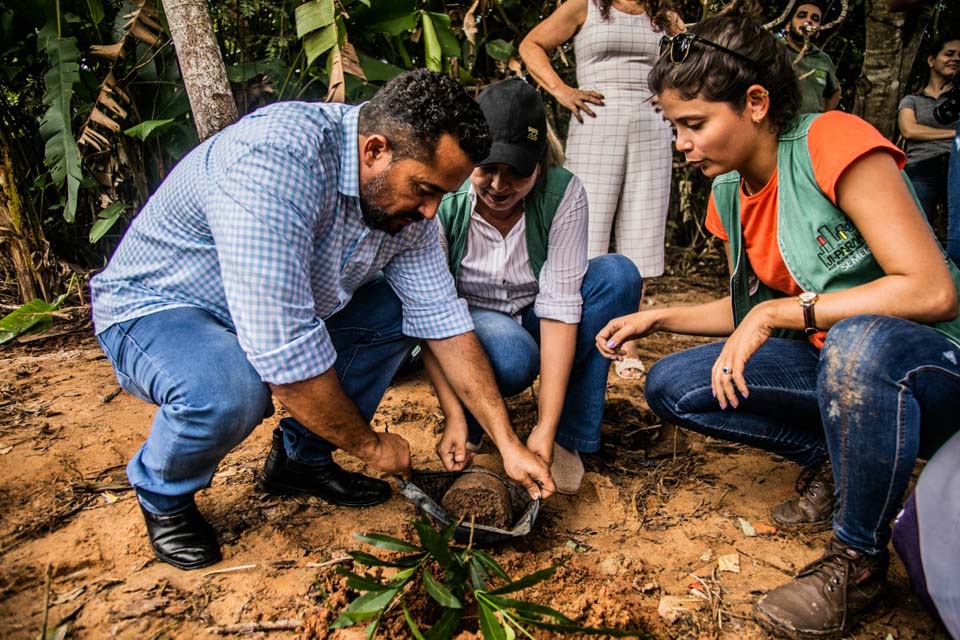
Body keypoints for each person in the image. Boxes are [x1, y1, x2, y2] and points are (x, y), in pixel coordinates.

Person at [90, 69, 556, 571]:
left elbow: (442, 319)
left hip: (275, 316)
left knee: (398, 307)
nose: (430, 212)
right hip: (165, 308)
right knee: (232, 389)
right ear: (374, 150)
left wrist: (508, 444)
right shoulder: (274, 163)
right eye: (424, 190)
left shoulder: (405, 203)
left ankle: (301, 461)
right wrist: (371, 446)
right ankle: (163, 493)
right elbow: (284, 358)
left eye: (442, 194)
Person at [596, 14, 960, 638]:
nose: (682, 143)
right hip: (833, 360)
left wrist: (776, 312)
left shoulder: (833, 140)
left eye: (694, 124)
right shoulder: (728, 193)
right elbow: (749, 312)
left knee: (859, 339)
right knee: (675, 385)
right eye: (675, 126)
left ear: (756, 103)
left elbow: (930, 289)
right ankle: (840, 457)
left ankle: (858, 559)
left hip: (928, 364)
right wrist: (661, 317)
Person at [422, 78, 641, 495]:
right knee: (511, 354)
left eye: (517, 172)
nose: (500, 187)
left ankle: (567, 438)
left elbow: (560, 306)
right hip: (469, 322)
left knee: (618, 277)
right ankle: (469, 423)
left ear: (539, 163)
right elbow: (430, 313)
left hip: (536, 311)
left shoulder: (563, 193)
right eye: (487, 169)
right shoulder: (443, 199)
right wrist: (451, 414)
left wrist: (545, 426)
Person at [519, 0, 683, 379]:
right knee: (584, 230)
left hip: (651, 125)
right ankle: (576, 334)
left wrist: (675, 93)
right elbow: (532, 45)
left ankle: (628, 344)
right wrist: (561, 91)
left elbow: (696, 55)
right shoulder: (585, 5)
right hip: (596, 119)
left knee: (641, 232)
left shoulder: (664, 13)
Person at [898, 37, 960, 222]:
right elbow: (909, 130)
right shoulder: (913, 99)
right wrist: (955, 134)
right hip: (921, 164)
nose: (956, 59)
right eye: (949, 54)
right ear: (931, 60)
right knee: (917, 222)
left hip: (955, 162)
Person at [779, 1, 841, 113]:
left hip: (810, 128)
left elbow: (834, 91)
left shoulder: (823, 60)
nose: (808, 21)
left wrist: (821, 116)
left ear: (818, 32)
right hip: (775, 126)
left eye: (815, 19)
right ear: (788, 26)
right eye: (802, 16)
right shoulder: (772, 49)